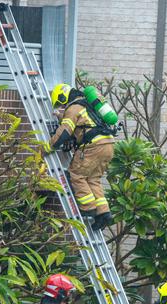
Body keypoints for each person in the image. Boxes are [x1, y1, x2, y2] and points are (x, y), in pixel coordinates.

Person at [43, 83, 116, 231]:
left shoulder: (73, 108)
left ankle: (88, 208)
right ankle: (103, 214)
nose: (61, 106)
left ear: (63, 97)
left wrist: (47, 147)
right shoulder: (86, 106)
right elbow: (83, 122)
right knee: (93, 179)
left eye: (60, 103)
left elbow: (64, 132)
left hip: (93, 146)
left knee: (76, 175)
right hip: (108, 145)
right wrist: (61, 116)